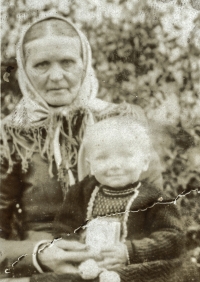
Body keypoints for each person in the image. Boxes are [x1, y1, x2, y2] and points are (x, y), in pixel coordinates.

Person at [0, 16, 163, 280]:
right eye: (41, 65)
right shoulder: (10, 136)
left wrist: (127, 253)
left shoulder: (122, 120)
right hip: (44, 273)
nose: (56, 76)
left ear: (84, 63)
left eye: (67, 62)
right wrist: (38, 254)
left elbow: (158, 214)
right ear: (24, 70)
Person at [35, 116, 199, 282]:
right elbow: (63, 228)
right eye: (102, 157)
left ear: (145, 162)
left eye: (126, 155)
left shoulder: (155, 198)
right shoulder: (81, 192)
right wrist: (77, 249)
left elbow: (173, 238)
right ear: (90, 163)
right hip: (87, 265)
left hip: (135, 267)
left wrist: (131, 251)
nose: (114, 165)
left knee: (169, 271)